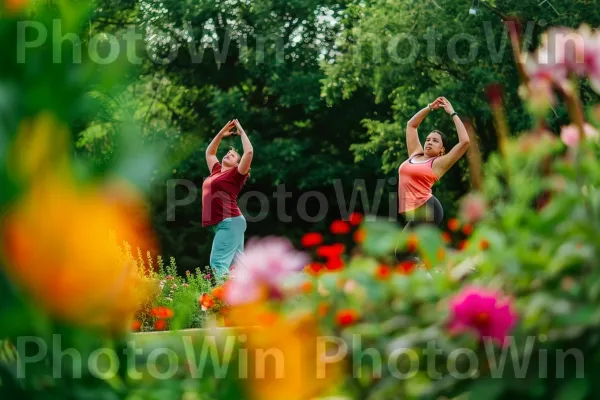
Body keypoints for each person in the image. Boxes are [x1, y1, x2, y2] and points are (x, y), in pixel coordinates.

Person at [396, 97, 470, 259]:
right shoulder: (415, 154)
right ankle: (453, 261)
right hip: (417, 212)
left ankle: (455, 262)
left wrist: (452, 113)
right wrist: (430, 107)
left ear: (442, 150)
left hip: (428, 208)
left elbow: (464, 142)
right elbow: (411, 125)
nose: (429, 142)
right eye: (428, 139)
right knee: (409, 252)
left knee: (404, 252)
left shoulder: (438, 163)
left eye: (435, 141)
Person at [202, 119, 253, 279]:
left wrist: (241, 131)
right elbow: (210, 152)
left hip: (229, 221)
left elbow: (249, 152)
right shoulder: (216, 171)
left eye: (232, 156)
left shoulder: (236, 175)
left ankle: (222, 301)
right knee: (238, 267)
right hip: (227, 223)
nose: (228, 154)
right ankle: (257, 294)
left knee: (218, 263)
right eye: (228, 153)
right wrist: (222, 133)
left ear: (237, 164)